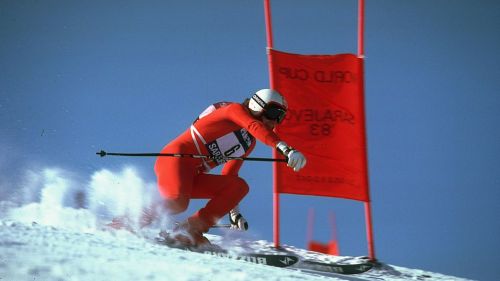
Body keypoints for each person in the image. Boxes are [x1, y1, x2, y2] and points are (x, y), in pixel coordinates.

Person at [154, 89, 306, 247]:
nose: (275, 122)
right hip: (175, 159)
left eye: (280, 118)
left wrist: (234, 212)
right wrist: (286, 149)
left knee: (238, 186)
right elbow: (253, 125)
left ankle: (190, 230)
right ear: (257, 106)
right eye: (273, 113)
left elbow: (230, 173)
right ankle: (132, 218)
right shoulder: (234, 110)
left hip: (192, 176)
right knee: (178, 202)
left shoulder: (248, 142)